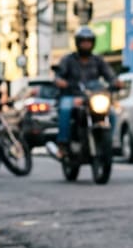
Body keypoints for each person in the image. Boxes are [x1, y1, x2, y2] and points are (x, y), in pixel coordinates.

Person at [46, 26, 118, 160]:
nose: (86, 44)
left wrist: (116, 82)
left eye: (89, 41)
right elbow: (58, 76)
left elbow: (110, 75)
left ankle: (107, 142)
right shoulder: (68, 60)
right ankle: (63, 145)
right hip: (72, 95)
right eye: (83, 41)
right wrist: (60, 81)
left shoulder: (98, 61)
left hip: (92, 97)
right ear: (78, 43)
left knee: (112, 114)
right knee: (65, 108)